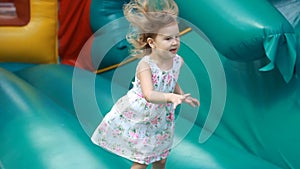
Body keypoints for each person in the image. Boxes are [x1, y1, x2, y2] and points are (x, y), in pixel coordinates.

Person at [91, 0, 200, 168]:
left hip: (160, 117)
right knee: (141, 161)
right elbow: (149, 94)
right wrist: (170, 97)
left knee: (161, 158)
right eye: (168, 38)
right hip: (140, 116)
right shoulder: (145, 65)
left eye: (177, 37)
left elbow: (171, 79)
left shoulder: (177, 61)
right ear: (152, 42)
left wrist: (181, 95)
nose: (175, 42)